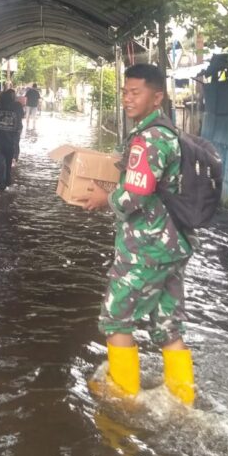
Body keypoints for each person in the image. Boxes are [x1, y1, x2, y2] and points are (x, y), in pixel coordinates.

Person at [79, 63, 195, 404]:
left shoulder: (150, 137)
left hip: (146, 249)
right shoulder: (165, 132)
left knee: (116, 321)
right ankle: (183, 402)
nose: (128, 99)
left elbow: (136, 194)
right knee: (169, 326)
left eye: (136, 93)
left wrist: (105, 199)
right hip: (172, 246)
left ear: (157, 97)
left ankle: (124, 402)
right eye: (125, 92)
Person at [0, 89, 23, 191]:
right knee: (8, 167)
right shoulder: (15, 114)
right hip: (10, 145)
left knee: (0, 167)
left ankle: (1, 189)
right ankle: (8, 186)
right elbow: (19, 129)